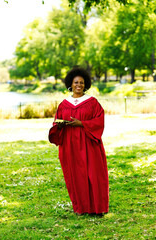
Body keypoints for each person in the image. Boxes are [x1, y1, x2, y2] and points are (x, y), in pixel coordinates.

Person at [49, 67, 109, 215]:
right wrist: (60, 125)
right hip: (70, 144)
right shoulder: (64, 104)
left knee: (94, 174)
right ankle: (81, 207)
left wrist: (81, 123)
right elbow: (56, 123)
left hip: (89, 143)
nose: (79, 85)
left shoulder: (92, 102)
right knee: (75, 175)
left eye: (81, 82)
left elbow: (99, 121)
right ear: (71, 83)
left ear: (85, 84)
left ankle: (97, 208)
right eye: (76, 82)